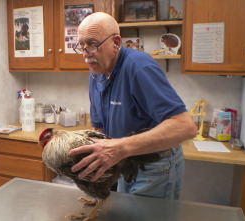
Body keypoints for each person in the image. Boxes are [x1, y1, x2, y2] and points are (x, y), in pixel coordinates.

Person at [68, 12, 197, 199]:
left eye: (93, 44)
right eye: (82, 46)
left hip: (155, 166)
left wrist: (119, 148)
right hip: (125, 162)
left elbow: (185, 127)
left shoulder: (138, 67)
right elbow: (99, 128)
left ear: (116, 42)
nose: (86, 54)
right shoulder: (96, 73)